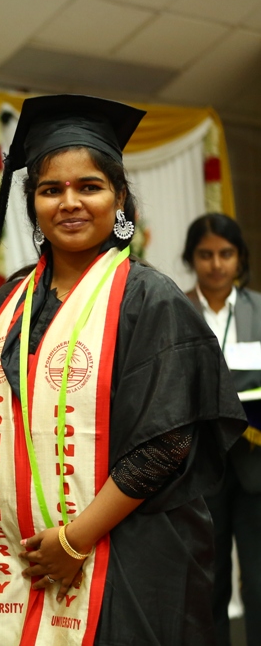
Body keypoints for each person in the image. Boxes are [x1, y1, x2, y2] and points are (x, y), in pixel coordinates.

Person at [0, 94, 245, 645]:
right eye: (50, 190)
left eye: (89, 186)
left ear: (119, 197)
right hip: (25, 561)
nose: (69, 203)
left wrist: (75, 539)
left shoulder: (150, 300)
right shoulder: (6, 306)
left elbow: (166, 445)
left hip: (132, 556)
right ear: (32, 202)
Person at [183, 213, 261, 646]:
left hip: (255, 465)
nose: (216, 264)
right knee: (207, 581)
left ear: (240, 258)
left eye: (226, 254)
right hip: (199, 466)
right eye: (206, 254)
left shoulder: (260, 310)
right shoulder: (174, 309)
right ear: (191, 258)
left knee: (260, 579)